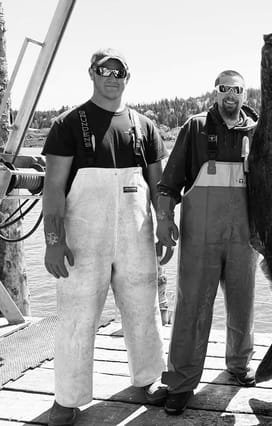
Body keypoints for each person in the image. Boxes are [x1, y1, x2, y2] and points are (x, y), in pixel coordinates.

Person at [42, 48, 168, 426]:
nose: (111, 78)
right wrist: (53, 241)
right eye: (104, 70)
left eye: (119, 71)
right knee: (77, 316)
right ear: (92, 74)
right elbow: (53, 188)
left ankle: (148, 378)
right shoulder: (67, 124)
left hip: (136, 234)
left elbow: (158, 185)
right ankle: (67, 399)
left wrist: (165, 224)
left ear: (127, 77)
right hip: (83, 238)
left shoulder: (144, 126)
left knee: (145, 308)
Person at [156, 70, 258, 415]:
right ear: (216, 92)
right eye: (224, 88)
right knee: (192, 305)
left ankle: (240, 365)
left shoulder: (259, 132)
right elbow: (169, 183)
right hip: (201, 236)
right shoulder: (195, 128)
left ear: (245, 94)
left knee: (243, 302)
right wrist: (165, 219)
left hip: (246, 236)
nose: (230, 94)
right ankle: (182, 382)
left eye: (237, 89)